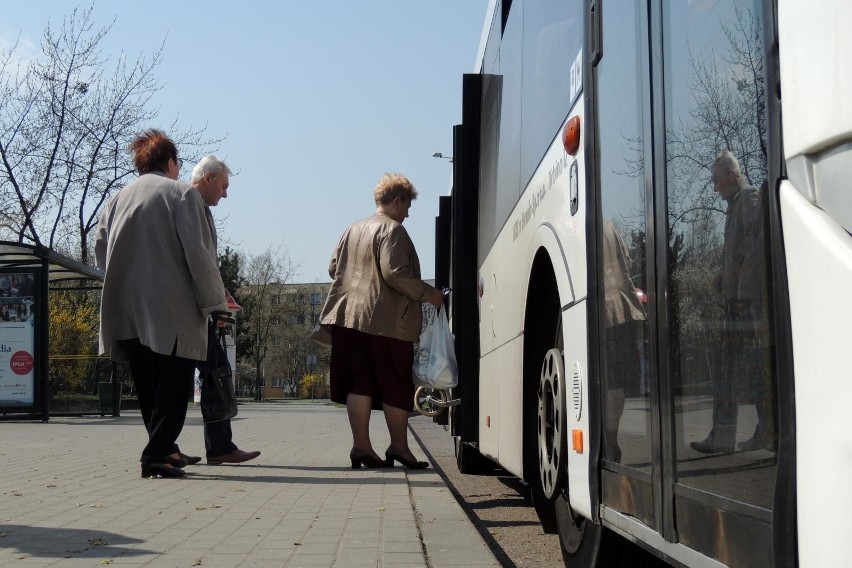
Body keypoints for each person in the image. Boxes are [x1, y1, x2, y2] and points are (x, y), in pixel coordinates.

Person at [96, 129, 229, 478]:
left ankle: (165, 450)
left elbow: (100, 251)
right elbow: (199, 255)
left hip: (127, 308)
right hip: (172, 310)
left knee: (148, 386)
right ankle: (154, 455)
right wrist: (216, 304)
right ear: (170, 162)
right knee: (174, 385)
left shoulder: (117, 199)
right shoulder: (181, 194)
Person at [317, 172, 444, 469]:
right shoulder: (393, 231)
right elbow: (394, 272)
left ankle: (361, 447)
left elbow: (333, 267)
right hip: (387, 322)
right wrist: (430, 294)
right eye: (408, 206)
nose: (408, 213)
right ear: (397, 201)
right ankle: (399, 447)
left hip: (347, 318)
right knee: (396, 384)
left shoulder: (352, 229)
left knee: (359, 382)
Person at [691, 150, 774, 455]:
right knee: (741, 371)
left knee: (742, 370)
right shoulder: (736, 205)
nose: (714, 187)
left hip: (746, 306)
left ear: (731, 175)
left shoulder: (749, 200)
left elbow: (756, 249)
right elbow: (743, 253)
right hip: (740, 302)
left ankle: (743, 434)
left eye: (716, 180)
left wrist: (742, 293)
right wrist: (725, 278)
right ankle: (751, 433)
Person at [182, 155, 260, 466]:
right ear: (209, 178)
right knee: (215, 373)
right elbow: (201, 261)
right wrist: (217, 307)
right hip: (191, 310)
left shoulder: (197, 207)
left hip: (194, 309)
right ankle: (218, 446)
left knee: (212, 373)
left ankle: (215, 446)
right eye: (224, 186)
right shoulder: (189, 203)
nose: (225, 194)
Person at [600, 220, 646, 464]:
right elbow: (626, 262)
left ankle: (605, 441)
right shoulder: (609, 226)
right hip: (620, 310)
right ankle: (611, 438)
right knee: (616, 383)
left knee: (605, 381)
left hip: (600, 311)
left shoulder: (570, 223)